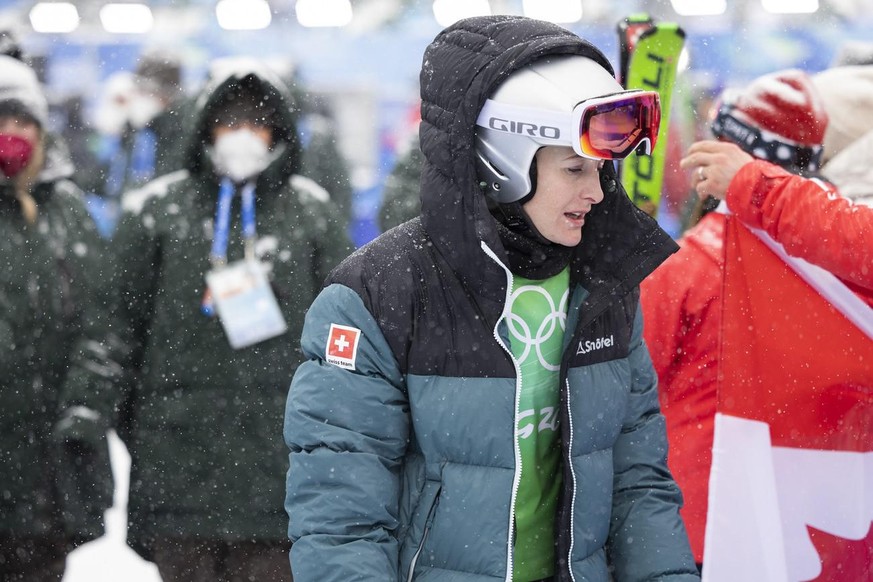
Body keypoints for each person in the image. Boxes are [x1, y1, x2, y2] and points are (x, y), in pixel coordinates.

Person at [284, 15, 699, 582]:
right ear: (502, 164)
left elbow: (638, 488)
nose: (596, 192)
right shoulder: (378, 297)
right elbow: (342, 520)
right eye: (574, 168)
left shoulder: (605, 288)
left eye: (604, 170)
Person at [112, 56, 351, 582]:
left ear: (279, 131)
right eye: (229, 122)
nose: (242, 135)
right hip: (179, 473)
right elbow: (118, 328)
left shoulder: (311, 214)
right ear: (205, 128)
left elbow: (346, 338)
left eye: (256, 122)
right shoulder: (159, 212)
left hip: (279, 477)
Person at [642, 68, 873, 567]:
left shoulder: (686, 265)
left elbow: (626, 396)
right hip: (808, 522)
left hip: (701, 520)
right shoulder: (833, 271)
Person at [0, 54, 120, 581]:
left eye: (23, 121)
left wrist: (84, 406)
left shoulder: (67, 209)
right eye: (1, 120)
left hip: (47, 464)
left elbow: (103, 320)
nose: (12, 134)